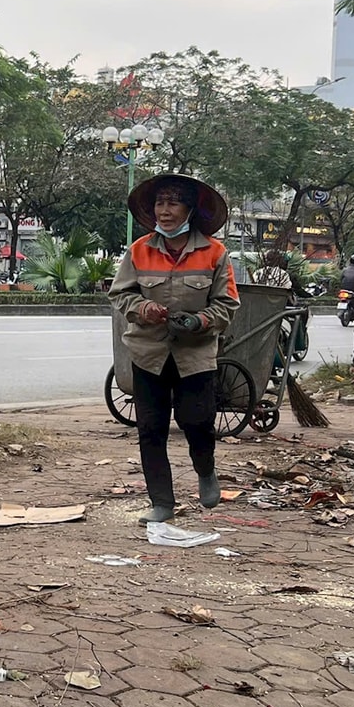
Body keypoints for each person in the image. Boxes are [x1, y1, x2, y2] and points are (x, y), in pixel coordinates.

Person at [110, 172, 240, 522]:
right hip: (148, 353)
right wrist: (142, 309)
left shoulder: (215, 252)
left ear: (190, 209)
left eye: (173, 202)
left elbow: (227, 304)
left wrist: (201, 320)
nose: (164, 210)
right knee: (151, 429)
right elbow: (121, 294)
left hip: (195, 354)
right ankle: (162, 503)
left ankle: (205, 469)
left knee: (196, 420)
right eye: (159, 202)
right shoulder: (138, 250)